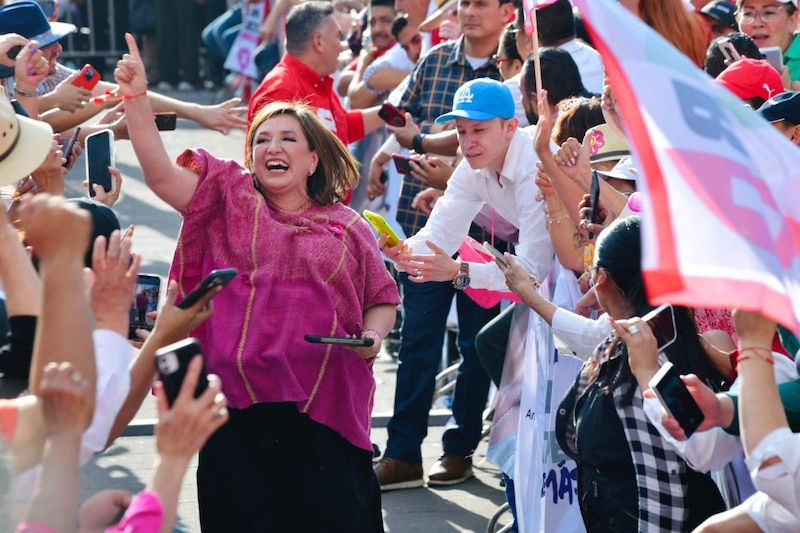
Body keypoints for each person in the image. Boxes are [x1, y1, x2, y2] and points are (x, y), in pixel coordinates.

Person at [115, 33, 400, 532]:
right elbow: (159, 175)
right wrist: (137, 99)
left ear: (313, 159)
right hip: (234, 413)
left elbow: (382, 298)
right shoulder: (226, 198)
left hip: (325, 411)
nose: (272, 146)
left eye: (288, 139)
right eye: (262, 140)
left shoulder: (349, 226)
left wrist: (373, 337)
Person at [371, 0, 516, 491]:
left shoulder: (531, 164)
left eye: (478, 130)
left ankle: (460, 450)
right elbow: (405, 125)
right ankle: (403, 454)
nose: (467, 141)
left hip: (500, 251)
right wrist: (400, 249)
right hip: (434, 223)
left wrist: (458, 270)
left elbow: (537, 271)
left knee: (479, 345)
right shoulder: (434, 61)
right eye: (460, 130)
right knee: (417, 344)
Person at [552, 216, 728, 531]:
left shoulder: (642, 361)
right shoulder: (679, 337)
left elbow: (666, 488)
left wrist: (647, 372)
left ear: (601, 279)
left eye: (592, 273)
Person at [248, 1, 385, 147]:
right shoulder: (281, 91)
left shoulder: (317, 80)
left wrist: (394, 111)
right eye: (338, 37)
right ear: (318, 42)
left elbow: (341, 127)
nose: (342, 46)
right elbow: (270, 162)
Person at [735, 0, 800, 83]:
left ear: (793, 20)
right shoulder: (731, 58)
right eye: (748, 13)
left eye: (768, 13)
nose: (757, 24)